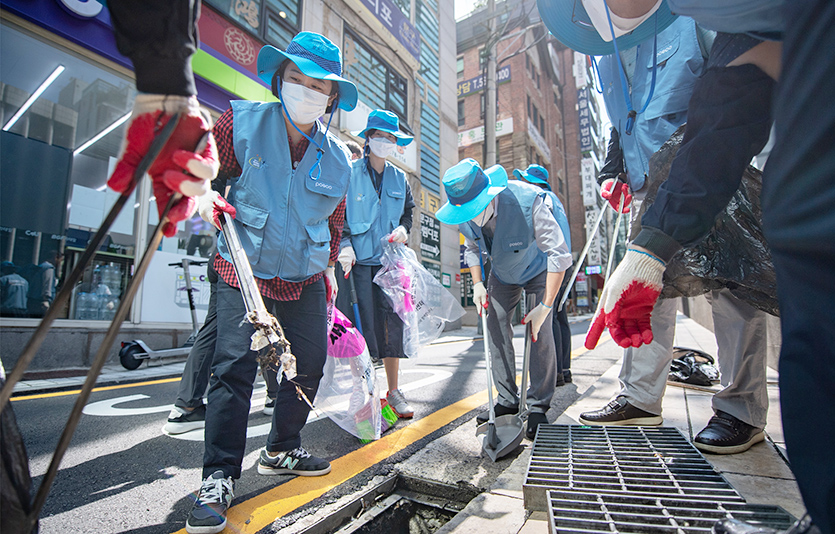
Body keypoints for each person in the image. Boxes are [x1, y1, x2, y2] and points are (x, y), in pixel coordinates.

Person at [547, 9, 773, 455]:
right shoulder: (603, 49)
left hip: (713, 169)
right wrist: (616, 168)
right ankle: (639, 397)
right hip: (648, 182)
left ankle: (741, 409)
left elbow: (736, 95)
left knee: (730, 288)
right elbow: (623, 119)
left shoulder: (698, 16)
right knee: (641, 294)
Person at [186, 32, 356, 534]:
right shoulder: (239, 123)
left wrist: (329, 268)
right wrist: (205, 196)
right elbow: (203, 174)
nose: (305, 90)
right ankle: (218, 477)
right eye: (296, 79)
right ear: (280, 80)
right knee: (234, 367)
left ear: (331, 98)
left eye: (317, 85)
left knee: (309, 364)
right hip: (243, 269)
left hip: (304, 275)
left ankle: (281, 447)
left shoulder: (339, 158)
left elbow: (333, 221)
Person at [436, 159, 572, 439]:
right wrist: (477, 285)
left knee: (539, 330)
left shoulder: (529, 201)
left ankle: (538, 406)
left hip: (537, 268)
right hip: (501, 272)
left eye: (474, 209)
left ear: (489, 195)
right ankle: (507, 400)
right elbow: (472, 248)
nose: (470, 217)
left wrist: (546, 306)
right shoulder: (465, 213)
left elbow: (559, 253)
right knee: (494, 323)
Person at [336, 109, 417, 418]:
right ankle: (364, 391)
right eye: (379, 136)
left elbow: (408, 213)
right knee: (360, 332)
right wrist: (344, 245)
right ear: (367, 139)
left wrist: (404, 229)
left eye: (390, 138)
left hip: (391, 266)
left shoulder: (401, 179)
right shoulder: (349, 173)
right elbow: (337, 215)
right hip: (354, 265)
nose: (384, 142)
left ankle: (394, 392)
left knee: (392, 328)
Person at [513, 164, 573, 387]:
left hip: (549, 263)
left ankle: (554, 373)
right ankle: (564, 370)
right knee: (559, 315)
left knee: (547, 316)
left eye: (525, 180)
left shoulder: (541, 198)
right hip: (564, 262)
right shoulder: (556, 200)